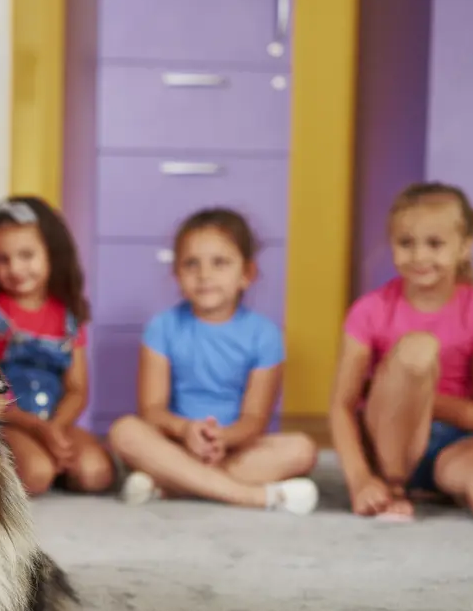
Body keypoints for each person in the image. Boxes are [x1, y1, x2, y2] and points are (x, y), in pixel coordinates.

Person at [108, 208, 319, 514]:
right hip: (176, 445)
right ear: (176, 274)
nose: (204, 274)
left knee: (302, 449)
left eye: (220, 263)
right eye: (191, 263)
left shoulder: (265, 335)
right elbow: (152, 410)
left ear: (246, 274)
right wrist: (185, 431)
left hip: (234, 449)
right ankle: (256, 497)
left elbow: (254, 419)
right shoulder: (162, 327)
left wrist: (221, 439)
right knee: (124, 431)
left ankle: (170, 485)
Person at [328, 182, 473, 524]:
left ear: (465, 246)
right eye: (406, 243)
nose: (419, 256)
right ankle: (394, 484)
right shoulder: (370, 310)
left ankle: (433, 485)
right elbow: (342, 405)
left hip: (454, 445)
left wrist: (423, 398)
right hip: (385, 441)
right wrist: (360, 480)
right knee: (418, 349)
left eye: (435, 243)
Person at [0, 196, 113, 495]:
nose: (16, 269)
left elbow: (77, 389)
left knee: (96, 474)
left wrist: (55, 428)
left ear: (52, 254)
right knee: (37, 474)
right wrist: (36, 428)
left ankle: (58, 457)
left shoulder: (68, 317)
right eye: (2, 259)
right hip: (10, 423)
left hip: (55, 421)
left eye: (27, 255)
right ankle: (36, 461)